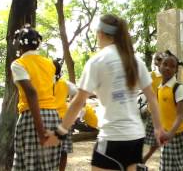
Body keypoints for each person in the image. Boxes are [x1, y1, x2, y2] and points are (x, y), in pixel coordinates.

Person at [45, 14, 166, 171]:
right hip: (135, 137)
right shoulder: (135, 61)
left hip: (111, 138)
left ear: (100, 33)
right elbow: (152, 98)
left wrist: (60, 132)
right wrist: (158, 128)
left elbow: (78, 102)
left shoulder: (97, 61)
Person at [11, 24, 61, 170]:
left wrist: (41, 131)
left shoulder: (18, 64)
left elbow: (32, 93)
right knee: (49, 164)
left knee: (29, 163)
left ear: (19, 44)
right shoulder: (50, 64)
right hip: (53, 116)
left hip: (32, 116)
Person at [158, 51, 183, 171]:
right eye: (165, 64)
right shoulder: (160, 88)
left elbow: (180, 115)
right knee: (167, 167)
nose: (168, 68)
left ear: (176, 70)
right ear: (159, 66)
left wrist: (170, 132)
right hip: (167, 134)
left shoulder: (177, 88)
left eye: (172, 66)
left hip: (182, 132)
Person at [53, 58, 77, 171]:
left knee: (48, 151)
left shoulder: (43, 82)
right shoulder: (65, 83)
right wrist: (70, 105)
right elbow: (78, 93)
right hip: (64, 120)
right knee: (63, 151)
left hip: (48, 118)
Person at [142, 52, 164, 163]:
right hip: (154, 113)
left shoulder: (169, 75)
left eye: (162, 59)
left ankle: (145, 158)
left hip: (166, 112)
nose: (160, 62)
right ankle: (143, 158)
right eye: (158, 59)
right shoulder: (151, 76)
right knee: (153, 140)